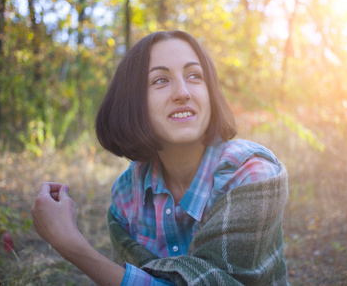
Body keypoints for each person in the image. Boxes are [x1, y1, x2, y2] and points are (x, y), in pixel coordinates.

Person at [32, 30, 289, 285]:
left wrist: (71, 245)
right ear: (134, 102)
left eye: (194, 76)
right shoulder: (126, 193)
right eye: (160, 80)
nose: (182, 92)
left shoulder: (251, 175)